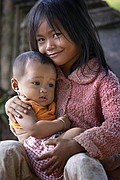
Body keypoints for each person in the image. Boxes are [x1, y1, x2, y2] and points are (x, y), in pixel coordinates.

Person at [1, 0, 120, 179]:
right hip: (38, 163)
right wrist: (13, 103)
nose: (48, 46)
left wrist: (77, 145)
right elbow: (27, 117)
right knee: (5, 150)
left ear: (79, 30)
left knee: (80, 162)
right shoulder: (41, 77)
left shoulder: (103, 80)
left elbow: (117, 126)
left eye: (56, 35)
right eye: (41, 39)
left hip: (80, 165)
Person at [10, 50, 82, 179]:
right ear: (16, 85)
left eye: (50, 85)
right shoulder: (22, 106)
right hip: (36, 151)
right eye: (36, 83)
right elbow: (35, 129)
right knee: (77, 133)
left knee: (79, 132)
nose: (44, 90)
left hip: (50, 144)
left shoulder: (46, 103)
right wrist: (61, 123)